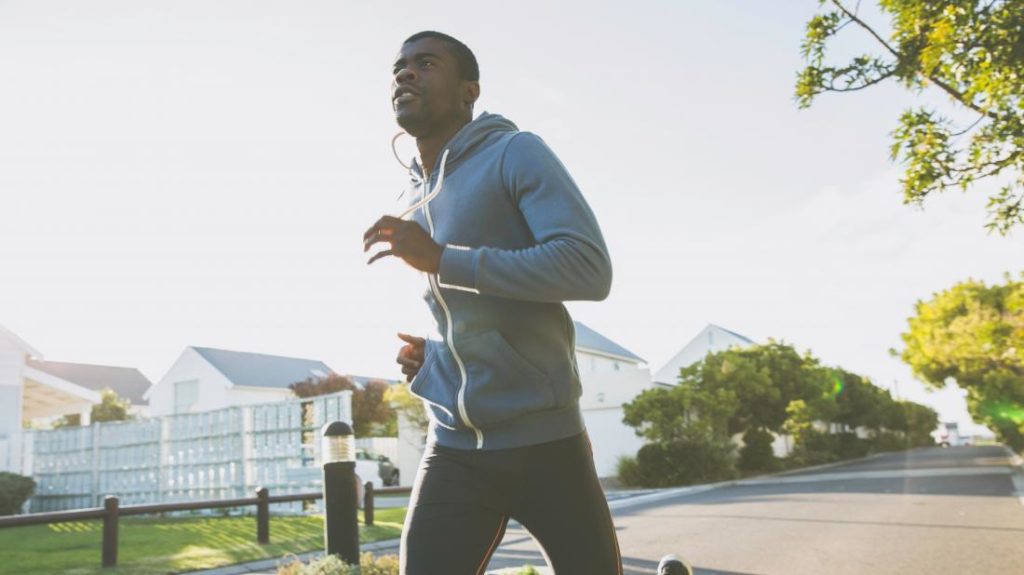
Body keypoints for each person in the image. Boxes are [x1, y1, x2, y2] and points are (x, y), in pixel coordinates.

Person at [363, 31, 688, 575]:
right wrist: (437, 359)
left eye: (426, 63)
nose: (406, 74)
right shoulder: (412, 194)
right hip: (455, 446)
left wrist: (441, 258)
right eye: (399, 68)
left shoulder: (515, 153)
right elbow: (470, 313)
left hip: (545, 442)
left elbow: (588, 268)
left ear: (469, 90)